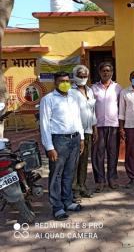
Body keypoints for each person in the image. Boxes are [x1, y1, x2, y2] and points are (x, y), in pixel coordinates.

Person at [40, 71, 84, 220]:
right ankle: (57, 206)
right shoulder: (48, 99)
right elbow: (45, 125)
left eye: (67, 80)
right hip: (59, 141)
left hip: (74, 139)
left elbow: (78, 119)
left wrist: (82, 138)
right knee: (56, 175)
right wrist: (49, 147)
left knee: (69, 173)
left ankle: (68, 201)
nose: (65, 83)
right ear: (55, 83)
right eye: (61, 81)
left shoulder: (73, 98)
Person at [91, 62, 122, 192]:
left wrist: (121, 127)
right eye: (103, 70)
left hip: (113, 125)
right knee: (97, 154)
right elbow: (90, 108)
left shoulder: (118, 88)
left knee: (113, 153)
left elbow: (121, 107)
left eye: (108, 70)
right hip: (98, 126)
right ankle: (100, 181)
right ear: (99, 72)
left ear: (112, 72)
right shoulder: (93, 88)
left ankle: (112, 178)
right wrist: (93, 127)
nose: (106, 73)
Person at [70, 65, 97, 201]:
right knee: (74, 161)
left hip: (88, 130)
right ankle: (73, 190)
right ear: (74, 76)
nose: (82, 78)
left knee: (84, 160)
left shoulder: (90, 91)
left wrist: (94, 128)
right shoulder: (70, 92)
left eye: (85, 76)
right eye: (80, 76)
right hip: (75, 132)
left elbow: (92, 112)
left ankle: (82, 185)